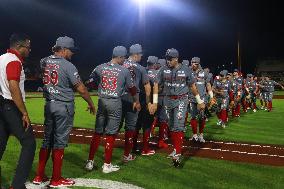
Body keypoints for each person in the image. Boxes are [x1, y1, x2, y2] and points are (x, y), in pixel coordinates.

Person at [33, 36, 96, 187]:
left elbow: (45, 61)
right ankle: (56, 179)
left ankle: (39, 176)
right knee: (59, 142)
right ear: (64, 49)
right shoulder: (69, 66)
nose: (72, 53)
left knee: (47, 140)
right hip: (63, 106)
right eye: (71, 50)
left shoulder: (45, 61)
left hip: (49, 105)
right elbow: (81, 89)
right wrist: (91, 103)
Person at [85, 46, 139, 173]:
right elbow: (132, 89)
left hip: (102, 101)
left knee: (98, 132)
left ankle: (90, 162)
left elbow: (89, 82)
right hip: (115, 102)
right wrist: (136, 101)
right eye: (123, 58)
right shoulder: (124, 71)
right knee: (111, 134)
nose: (124, 60)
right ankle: (107, 165)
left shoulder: (100, 67)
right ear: (119, 57)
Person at [157, 48, 205, 167]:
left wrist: (199, 101)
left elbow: (192, 86)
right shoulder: (163, 69)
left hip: (181, 100)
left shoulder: (186, 70)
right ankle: (176, 148)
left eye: (170, 59)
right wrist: (153, 101)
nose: (168, 61)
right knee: (172, 126)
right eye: (167, 59)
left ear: (176, 59)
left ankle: (177, 153)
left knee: (178, 126)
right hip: (168, 100)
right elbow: (157, 86)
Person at [0, 33, 36, 189]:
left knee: (0, 144)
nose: (29, 50)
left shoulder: (1, 58)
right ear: (19, 47)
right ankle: (17, 185)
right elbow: (13, 86)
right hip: (10, 106)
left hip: (1, 105)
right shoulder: (14, 61)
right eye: (28, 47)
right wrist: (24, 112)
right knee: (29, 143)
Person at [120, 44, 152, 162]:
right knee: (130, 127)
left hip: (118, 99)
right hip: (133, 99)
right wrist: (148, 102)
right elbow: (147, 87)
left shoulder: (121, 63)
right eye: (140, 54)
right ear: (135, 54)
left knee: (114, 127)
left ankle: (107, 157)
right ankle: (127, 154)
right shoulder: (141, 68)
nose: (142, 56)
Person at [134, 56, 159, 155]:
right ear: (155, 64)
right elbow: (156, 89)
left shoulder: (140, 70)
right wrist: (155, 103)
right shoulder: (156, 74)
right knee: (147, 126)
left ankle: (134, 147)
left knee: (136, 125)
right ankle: (145, 149)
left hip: (138, 101)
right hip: (149, 102)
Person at [188, 57, 214, 143]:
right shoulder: (188, 72)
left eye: (195, 63)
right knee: (193, 117)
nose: (193, 64)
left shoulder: (204, 73)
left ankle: (201, 135)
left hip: (202, 98)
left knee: (202, 117)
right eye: (192, 62)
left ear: (198, 64)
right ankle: (195, 135)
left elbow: (208, 85)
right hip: (192, 98)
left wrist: (211, 96)